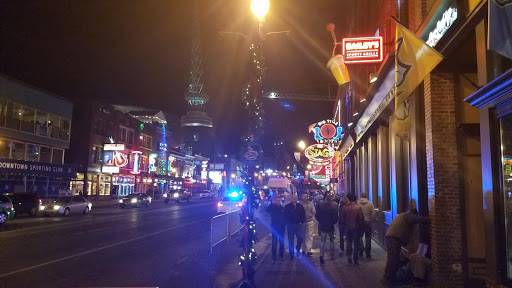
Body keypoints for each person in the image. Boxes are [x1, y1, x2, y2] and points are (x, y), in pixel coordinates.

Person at [382, 208, 429, 286]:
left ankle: (391, 278)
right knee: (392, 259)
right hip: (393, 239)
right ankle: (388, 279)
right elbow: (416, 218)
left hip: (393, 238)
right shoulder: (408, 215)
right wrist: (427, 219)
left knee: (395, 259)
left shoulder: (402, 215)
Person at [340, 193, 363, 265]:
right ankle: (355, 259)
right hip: (356, 227)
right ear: (355, 199)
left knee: (349, 243)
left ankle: (349, 257)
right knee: (356, 244)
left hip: (348, 227)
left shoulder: (344, 207)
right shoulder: (358, 207)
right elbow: (361, 218)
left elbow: (342, 218)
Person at [315, 194, 338, 264]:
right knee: (331, 241)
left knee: (322, 241)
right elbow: (335, 218)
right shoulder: (332, 208)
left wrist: (320, 221)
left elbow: (317, 215)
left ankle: (321, 255)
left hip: (323, 225)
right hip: (330, 226)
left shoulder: (321, 207)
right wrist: (333, 222)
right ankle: (332, 255)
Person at [285, 194, 306, 259]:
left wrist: (301, 221)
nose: (294, 199)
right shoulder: (287, 206)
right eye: (293, 197)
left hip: (298, 225)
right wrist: (289, 222)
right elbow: (286, 216)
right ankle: (291, 254)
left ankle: (298, 249)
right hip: (291, 225)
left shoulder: (300, 206)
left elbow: (303, 215)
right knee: (291, 239)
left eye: (295, 198)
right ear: (291, 198)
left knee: (300, 238)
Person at [267, 196, 286, 263]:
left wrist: (284, 224)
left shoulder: (283, 208)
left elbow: (285, 217)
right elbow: (267, 210)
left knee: (281, 242)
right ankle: (274, 257)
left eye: (279, 201)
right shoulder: (272, 207)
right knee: (274, 242)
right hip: (274, 227)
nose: (278, 202)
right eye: (277, 201)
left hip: (281, 227)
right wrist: (272, 203)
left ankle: (281, 255)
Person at [357, 192, 376, 258]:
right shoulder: (370, 204)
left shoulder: (357, 203)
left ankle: (361, 249)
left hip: (360, 222)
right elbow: (373, 213)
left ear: (361, 196)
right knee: (368, 237)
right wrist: (371, 220)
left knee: (359, 236)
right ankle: (368, 253)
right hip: (368, 222)